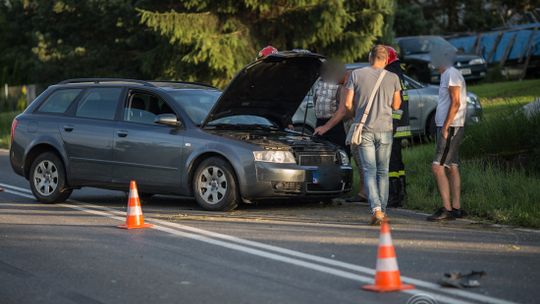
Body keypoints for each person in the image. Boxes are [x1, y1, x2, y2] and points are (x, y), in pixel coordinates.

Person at [314, 45, 402, 225]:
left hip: (365, 129)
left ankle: (376, 210)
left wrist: (357, 112)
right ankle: (383, 211)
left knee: (369, 170)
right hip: (385, 129)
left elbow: (346, 105)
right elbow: (396, 106)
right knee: (383, 171)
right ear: (386, 60)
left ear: (370, 58)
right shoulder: (393, 77)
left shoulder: (356, 75)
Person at [427, 45, 468, 221]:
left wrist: (445, 126)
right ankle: (456, 208)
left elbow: (456, 102)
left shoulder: (451, 73)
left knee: (437, 167)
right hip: (449, 126)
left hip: (450, 127)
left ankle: (447, 208)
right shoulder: (446, 74)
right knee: (452, 166)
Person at [384, 46, 411, 208]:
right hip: (401, 125)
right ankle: (401, 192)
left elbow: (397, 103)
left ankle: (395, 196)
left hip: (394, 125)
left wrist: (391, 123)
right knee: (398, 161)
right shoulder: (399, 73)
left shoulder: (392, 74)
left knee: (392, 162)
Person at [312, 61, 348, 152]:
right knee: (320, 155)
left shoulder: (341, 84)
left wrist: (325, 127)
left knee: (339, 154)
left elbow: (342, 111)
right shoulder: (319, 82)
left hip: (336, 125)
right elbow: (315, 100)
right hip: (320, 122)